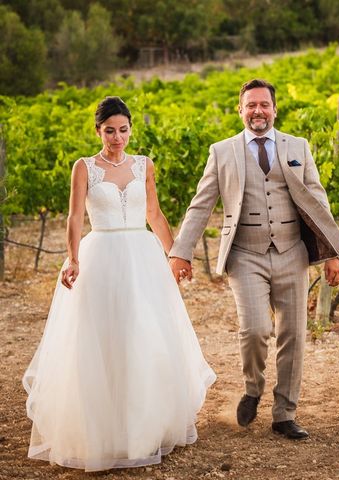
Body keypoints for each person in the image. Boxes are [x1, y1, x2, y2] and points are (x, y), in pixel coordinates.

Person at [22, 96, 216, 472]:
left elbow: (154, 213)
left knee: (144, 335)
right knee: (104, 339)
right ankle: (105, 431)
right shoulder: (85, 168)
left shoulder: (144, 164)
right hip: (102, 256)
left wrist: (175, 255)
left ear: (130, 130)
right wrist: (73, 257)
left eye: (123, 130)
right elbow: (75, 217)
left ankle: (143, 429)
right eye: (110, 130)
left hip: (142, 256)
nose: (117, 137)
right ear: (98, 131)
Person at [169, 79, 339, 440]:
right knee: (255, 330)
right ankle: (253, 388)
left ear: (274, 109)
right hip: (245, 254)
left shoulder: (298, 147)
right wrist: (180, 252)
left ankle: (284, 413)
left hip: (292, 252)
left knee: (293, 334)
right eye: (251, 105)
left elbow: (318, 200)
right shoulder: (222, 152)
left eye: (264, 105)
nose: (258, 111)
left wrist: (333, 253)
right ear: (240, 110)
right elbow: (201, 205)